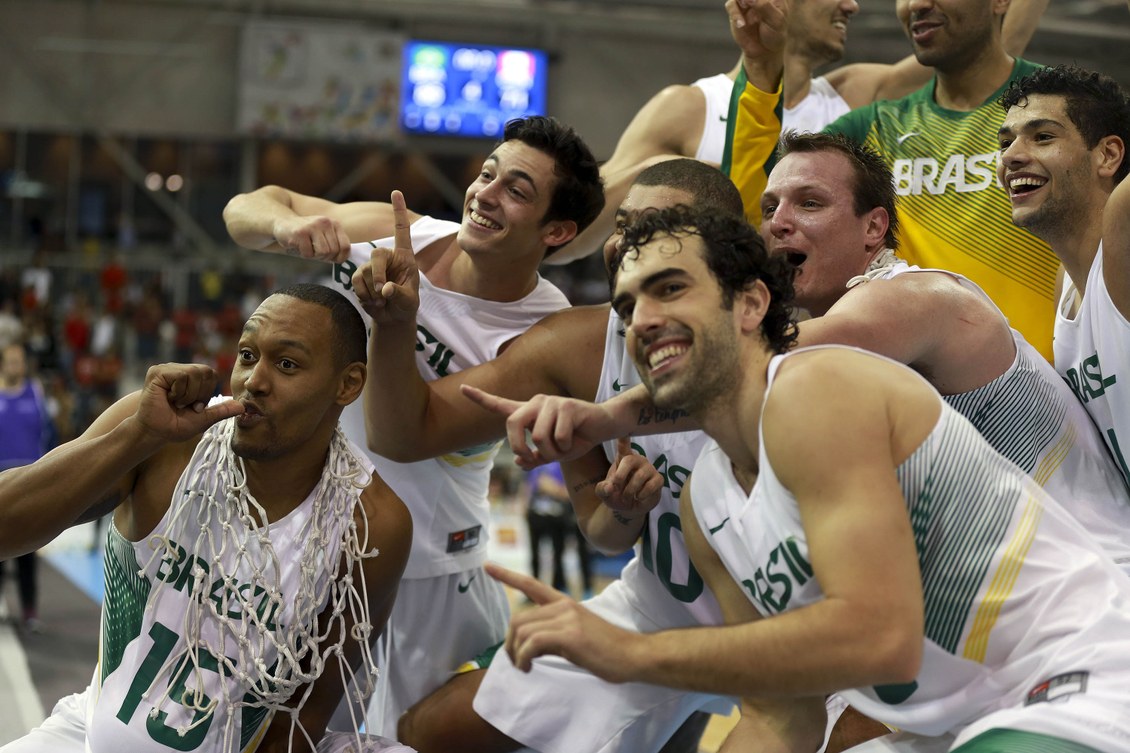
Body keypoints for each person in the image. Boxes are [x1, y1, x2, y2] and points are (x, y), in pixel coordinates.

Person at [480, 205, 1130, 752]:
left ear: (752, 303)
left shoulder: (816, 388)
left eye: (670, 288)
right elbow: (776, 716)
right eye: (628, 304)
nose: (641, 318)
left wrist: (630, 653)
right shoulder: (705, 502)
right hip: (942, 727)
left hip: (1072, 675)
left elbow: (880, 637)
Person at [223, 115, 604, 738]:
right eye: (487, 174)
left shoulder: (547, 335)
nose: (485, 193)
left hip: (419, 579)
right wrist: (286, 226)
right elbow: (249, 208)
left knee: (380, 742)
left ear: (557, 231)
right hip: (296, 544)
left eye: (517, 190)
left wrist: (394, 325)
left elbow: (405, 433)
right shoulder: (401, 232)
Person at [359, 158, 752, 753]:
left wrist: (614, 416)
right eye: (622, 224)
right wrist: (395, 325)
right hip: (655, 612)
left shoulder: (797, 344)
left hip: (784, 626)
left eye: (657, 228)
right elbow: (403, 433)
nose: (624, 244)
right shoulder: (579, 345)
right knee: (424, 731)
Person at [0, 284, 413, 753]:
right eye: (246, 355)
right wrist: (138, 435)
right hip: (88, 736)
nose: (253, 380)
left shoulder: (371, 525)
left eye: (287, 364)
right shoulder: (167, 441)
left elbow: (302, 718)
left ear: (348, 384)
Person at [728, 0, 1058, 359]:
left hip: (1051, 393)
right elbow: (751, 211)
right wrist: (761, 66)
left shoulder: (1058, 109)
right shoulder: (871, 128)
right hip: (909, 391)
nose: (914, 5)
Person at [997, 64, 1130, 487]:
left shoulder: (1124, 224)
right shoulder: (1067, 282)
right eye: (1006, 141)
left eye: (1043, 136)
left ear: (1107, 155)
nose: (1012, 155)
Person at [0, 341, 52, 632]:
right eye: (10, 361)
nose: (15, 366)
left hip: (31, 481)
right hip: (0, 481)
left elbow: (49, 433)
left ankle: (29, 610)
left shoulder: (36, 392)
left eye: (19, 361)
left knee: (28, 551)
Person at [522, 462, 592, 598]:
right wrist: (525, 504)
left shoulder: (565, 463)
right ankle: (544, 590)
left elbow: (574, 490)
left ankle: (585, 588)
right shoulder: (537, 465)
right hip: (540, 514)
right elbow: (529, 485)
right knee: (542, 554)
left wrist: (553, 489)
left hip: (569, 513)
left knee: (577, 552)